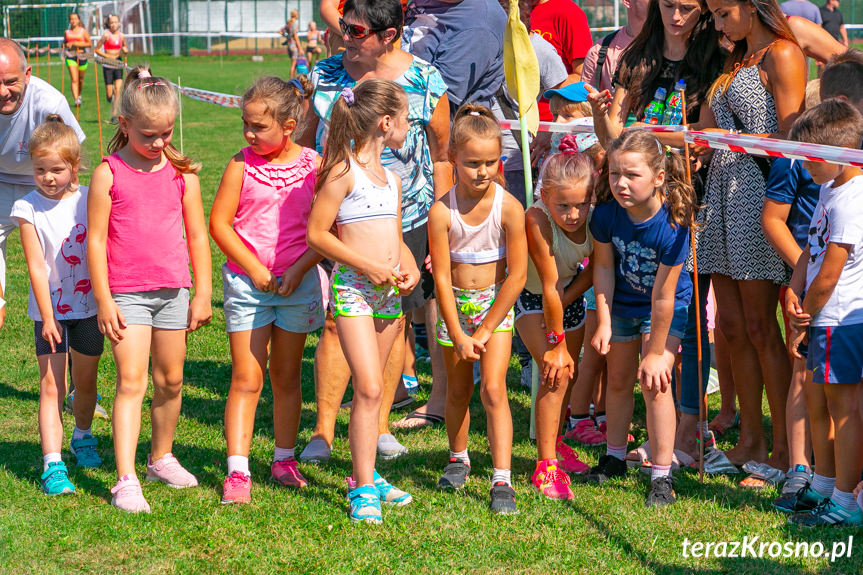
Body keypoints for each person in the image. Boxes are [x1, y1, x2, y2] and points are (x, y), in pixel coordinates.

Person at [299, 0, 451, 459]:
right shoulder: (324, 76)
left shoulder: (426, 81)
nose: (344, 35)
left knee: (393, 318)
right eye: (344, 25)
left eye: (356, 30)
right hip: (340, 220)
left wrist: (440, 227)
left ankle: (379, 423)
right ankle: (324, 431)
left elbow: (442, 154)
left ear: (389, 35)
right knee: (334, 321)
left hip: (408, 220)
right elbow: (307, 145)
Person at [87, 76, 212, 513]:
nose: (159, 142)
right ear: (124, 123)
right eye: (148, 135)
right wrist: (104, 299)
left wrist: (203, 292)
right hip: (126, 295)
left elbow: (197, 235)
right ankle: (125, 478)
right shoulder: (108, 173)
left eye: (166, 133)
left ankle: (161, 456)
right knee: (132, 382)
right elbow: (96, 240)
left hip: (174, 291)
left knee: (171, 381)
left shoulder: (183, 175)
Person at [692, 0, 806, 471]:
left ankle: (784, 451)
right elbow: (710, 128)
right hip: (720, 196)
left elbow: (791, 138)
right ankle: (752, 444)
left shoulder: (782, 53)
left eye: (722, 12)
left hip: (757, 198)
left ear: (750, 5)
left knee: (761, 328)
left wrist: (776, 209)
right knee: (734, 328)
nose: (718, 24)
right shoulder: (736, 58)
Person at [306, 79, 419, 524]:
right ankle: (363, 489)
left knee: (379, 393)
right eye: (406, 118)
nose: (409, 126)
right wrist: (366, 267)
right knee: (368, 387)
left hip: (390, 295)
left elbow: (394, 238)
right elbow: (317, 235)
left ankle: (365, 473)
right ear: (386, 123)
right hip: (354, 291)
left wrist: (407, 264)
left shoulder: (391, 179)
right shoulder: (341, 173)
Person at [209, 77, 324, 505]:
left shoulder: (314, 165)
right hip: (247, 285)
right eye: (246, 124)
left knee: (287, 376)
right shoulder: (240, 165)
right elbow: (219, 223)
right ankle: (238, 470)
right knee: (246, 377)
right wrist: (255, 269)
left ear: (290, 125)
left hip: (297, 285)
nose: (249, 134)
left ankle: (283, 459)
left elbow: (326, 230)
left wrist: (298, 270)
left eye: (259, 127)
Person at [580, 130, 696, 508]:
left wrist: (657, 350)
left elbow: (664, 295)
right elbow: (603, 268)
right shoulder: (607, 215)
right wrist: (605, 321)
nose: (621, 183)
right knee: (617, 380)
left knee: (656, 383)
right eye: (614, 174)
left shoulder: (674, 223)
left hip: (663, 308)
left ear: (659, 177)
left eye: (632, 175)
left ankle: (661, 475)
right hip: (623, 305)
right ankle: (615, 457)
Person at [428, 104, 526, 514]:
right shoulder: (441, 212)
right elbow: (442, 280)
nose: (482, 171)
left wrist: (484, 330)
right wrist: (458, 331)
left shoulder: (510, 208)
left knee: (493, 388)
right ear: (453, 158)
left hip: (494, 311)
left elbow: (517, 276)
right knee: (458, 391)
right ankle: (458, 456)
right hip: (454, 309)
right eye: (472, 163)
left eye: (490, 162)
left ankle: (501, 477)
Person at [10, 117, 102, 496]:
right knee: (52, 385)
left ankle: (82, 435)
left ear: (75, 166)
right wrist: (48, 317)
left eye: (57, 169)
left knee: (85, 383)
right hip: (50, 315)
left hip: (90, 310)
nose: (48, 177)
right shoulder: (26, 207)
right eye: (40, 169)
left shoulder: (88, 199)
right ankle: (53, 464)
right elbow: (36, 265)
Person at [784, 100, 863, 527]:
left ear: (837, 154)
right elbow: (812, 251)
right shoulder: (831, 188)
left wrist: (803, 317)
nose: (804, 168)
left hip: (840, 321)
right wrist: (795, 289)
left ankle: (848, 503)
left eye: (811, 160)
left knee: (845, 411)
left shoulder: (854, 199)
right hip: (821, 318)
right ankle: (827, 483)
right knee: (820, 404)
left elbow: (830, 274)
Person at [515, 138, 594, 500]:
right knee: (555, 374)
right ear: (544, 196)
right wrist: (556, 342)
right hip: (534, 300)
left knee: (569, 374)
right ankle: (545, 466)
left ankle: (558, 443)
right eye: (563, 205)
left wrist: (567, 299)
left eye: (581, 204)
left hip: (568, 297)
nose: (574, 214)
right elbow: (547, 285)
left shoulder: (594, 219)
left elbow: (594, 272)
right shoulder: (536, 219)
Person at [759, 81, 821, 495]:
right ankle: (800, 465)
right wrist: (805, 271)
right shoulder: (795, 155)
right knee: (803, 366)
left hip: (851, 283)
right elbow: (773, 220)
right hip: (804, 281)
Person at [0, 38, 84, 332]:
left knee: (62, 254)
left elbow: (72, 154)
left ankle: (74, 323)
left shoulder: (51, 102)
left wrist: (72, 201)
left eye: (10, 82)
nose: (2, 92)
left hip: (44, 184)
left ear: (27, 74)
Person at [529, 0, 593, 121]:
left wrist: (537, 82)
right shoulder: (510, 10)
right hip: (509, 117)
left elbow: (584, 78)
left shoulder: (567, 11)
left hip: (551, 122)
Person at [581, 0, 650, 94]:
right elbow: (585, 104)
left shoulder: (672, 46)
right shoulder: (599, 52)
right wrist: (595, 106)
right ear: (627, 1)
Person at [94, 14, 128, 125]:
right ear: (108, 24)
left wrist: (125, 50)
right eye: (111, 22)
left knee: (118, 89)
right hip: (108, 66)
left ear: (119, 23)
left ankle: (114, 115)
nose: (113, 24)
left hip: (118, 64)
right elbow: (96, 49)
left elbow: (125, 49)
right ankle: (110, 95)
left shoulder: (122, 36)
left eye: (115, 22)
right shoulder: (106, 35)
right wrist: (106, 56)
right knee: (110, 94)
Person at [64, 13, 91, 108]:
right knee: (74, 79)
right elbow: (65, 44)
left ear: (79, 20)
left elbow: (89, 44)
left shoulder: (83, 31)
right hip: (71, 56)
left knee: (80, 79)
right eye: (71, 19)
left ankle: (79, 94)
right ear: (69, 21)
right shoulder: (67, 32)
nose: (73, 21)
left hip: (82, 55)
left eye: (75, 19)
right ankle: (76, 100)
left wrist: (76, 43)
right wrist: (66, 45)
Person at [280, 10, 302, 77]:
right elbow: (295, 37)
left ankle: (293, 80)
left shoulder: (289, 23)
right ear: (295, 15)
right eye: (298, 14)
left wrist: (287, 37)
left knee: (294, 64)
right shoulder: (294, 24)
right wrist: (300, 48)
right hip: (294, 45)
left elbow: (281, 31)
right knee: (293, 64)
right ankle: (291, 80)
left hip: (289, 45)